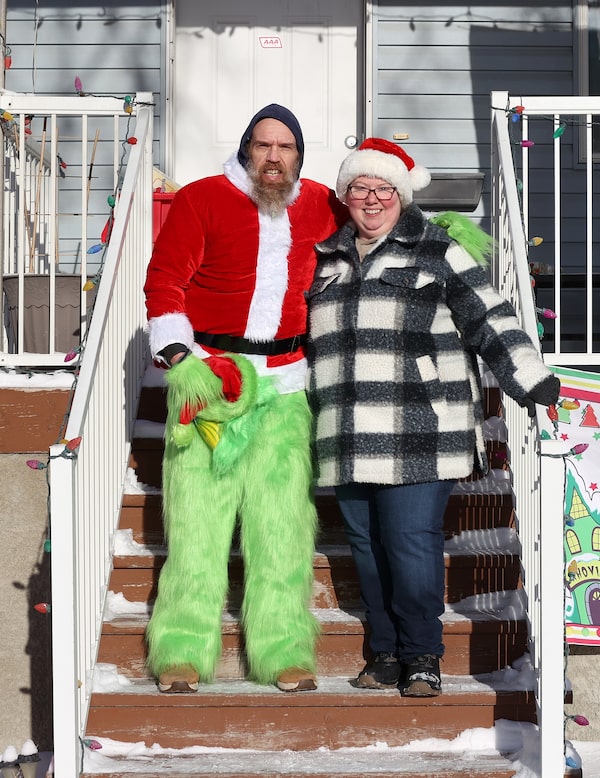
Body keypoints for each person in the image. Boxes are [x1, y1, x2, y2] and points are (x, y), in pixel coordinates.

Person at [305, 137, 560, 697]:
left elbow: (490, 318)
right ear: (345, 196)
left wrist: (529, 379)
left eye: (384, 188)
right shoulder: (325, 260)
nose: (372, 199)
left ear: (402, 195)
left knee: (409, 542)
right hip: (345, 430)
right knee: (368, 547)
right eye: (361, 188)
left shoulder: (438, 250)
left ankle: (422, 654)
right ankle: (385, 653)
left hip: (420, 427)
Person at [143, 104, 347, 694]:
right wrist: (181, 360)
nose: (273, 158)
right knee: (196, 529)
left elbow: (374, 219)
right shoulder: (202, 199)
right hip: (211, 384)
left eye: (286, 147)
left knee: (281, 530)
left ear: (300, 156)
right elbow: (165, 281)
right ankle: (181, 649)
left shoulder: (322, 206)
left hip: (286, 388)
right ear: (245, 149)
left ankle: (283, 651)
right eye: (263, 145)